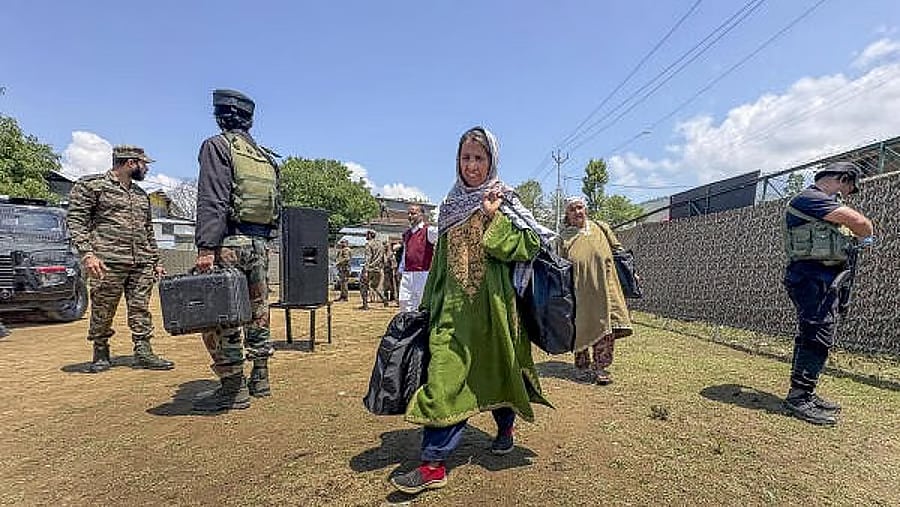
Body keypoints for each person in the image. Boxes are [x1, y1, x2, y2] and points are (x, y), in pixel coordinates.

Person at [390, 126, 552, 495]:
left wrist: (493, 219)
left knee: (499, 370)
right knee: (444, 376)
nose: (472, 165)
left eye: (479, 158)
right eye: (466, 157)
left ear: (491, 160)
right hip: (452, 312)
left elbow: (529, 244)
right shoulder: (449, 207)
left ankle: (505, 429)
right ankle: (433, 463)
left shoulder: (504, 200)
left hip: (495, 310)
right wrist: (427, 305)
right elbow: (441, 265)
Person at [192, 89, 281, 411]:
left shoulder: (217, 146)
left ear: (219, 116)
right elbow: (275, 206)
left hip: (228, 244)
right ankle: (261, 378)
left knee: (222, 316)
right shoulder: (265, 157)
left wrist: (206, 247)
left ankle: (233, 387)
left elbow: (212, 200)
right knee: (258, 312)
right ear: (250, 120)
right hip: (258, 244)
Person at [66, 145, 174, 374]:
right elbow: (76, 222)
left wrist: (156, 260)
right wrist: (87, 254)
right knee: (103, 308)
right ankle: (101, 351)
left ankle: (143, 351)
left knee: (140, 308)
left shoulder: (140, 194)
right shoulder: (91, 186)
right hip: (107, 261)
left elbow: (147, 230)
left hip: (141, 262)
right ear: (130, 163)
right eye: (144, 164)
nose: (146, 169)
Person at [782, 162, 874, 426]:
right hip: (811, 278)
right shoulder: (810, 198)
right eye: (847, 187)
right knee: (819, 334)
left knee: (812, 334)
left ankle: (804, 391)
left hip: (820, 278)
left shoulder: (817, 204)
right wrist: (866, 236)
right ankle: (799, 397)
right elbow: (860, 223)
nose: (844, 196)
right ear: (842, 178)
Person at [557, 197, 633, 385]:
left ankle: (601, 368)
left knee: (606, 328)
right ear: (567, 214)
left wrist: (633, 274)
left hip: (606, 287)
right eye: (572, 209)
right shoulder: (563, 237)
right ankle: (582, 367)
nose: (577, 212)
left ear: (586, 209)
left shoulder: (601, 228)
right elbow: (559, 265)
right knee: (580, 327)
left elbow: (620, 252)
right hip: (579, 291)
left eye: (580, 207)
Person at [398, 204, 437, 312]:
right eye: (409, 213)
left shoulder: (429, 231)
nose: (410, 216)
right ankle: (408, 326)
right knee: (404, 302)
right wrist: (400, 269)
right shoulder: (406, 234)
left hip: (423, 273)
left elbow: (441, 238)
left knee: (421, 302)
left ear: (421, 215)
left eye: (413, 213)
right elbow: (405, 253)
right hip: (407, 273)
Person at [360, 230, 388, 310]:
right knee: (375, 287)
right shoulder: (381, 245)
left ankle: (365, 305)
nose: (365, 236)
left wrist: (365, 269)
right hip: (378, 269)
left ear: (370, 235)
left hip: (369, 268)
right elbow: (384, 259)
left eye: (366, 234)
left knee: (363, 286)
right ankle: (384, 299)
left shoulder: (369, 244)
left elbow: (367, 258)